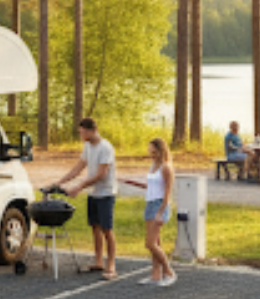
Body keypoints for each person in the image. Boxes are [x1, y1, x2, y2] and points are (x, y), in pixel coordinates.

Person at [54, 117, 118, 279]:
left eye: (82, 132)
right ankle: (98, 262)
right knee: (95, 227)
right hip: (93, 194)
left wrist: (79, 187)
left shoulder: (106, 148)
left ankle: (111, 266)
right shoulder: (87, 146)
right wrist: (60, 181)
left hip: (106, 193)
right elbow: (79, 167)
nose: (81, 135)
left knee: (107, 230)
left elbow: (101, 174)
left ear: (92, 131)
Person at [122, 138, 177, 286]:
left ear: (161, 151)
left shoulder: (166, 167)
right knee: (155, 242)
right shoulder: (153, 166)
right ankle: (155, 275)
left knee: (150, 244)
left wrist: (161, 212)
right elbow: (151, 186)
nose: (151, 154)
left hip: (159, 205)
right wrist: (131, 182)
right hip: (149, 204)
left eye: (153, 151)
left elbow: (167, 192)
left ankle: (169, 271)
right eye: (149, 151)